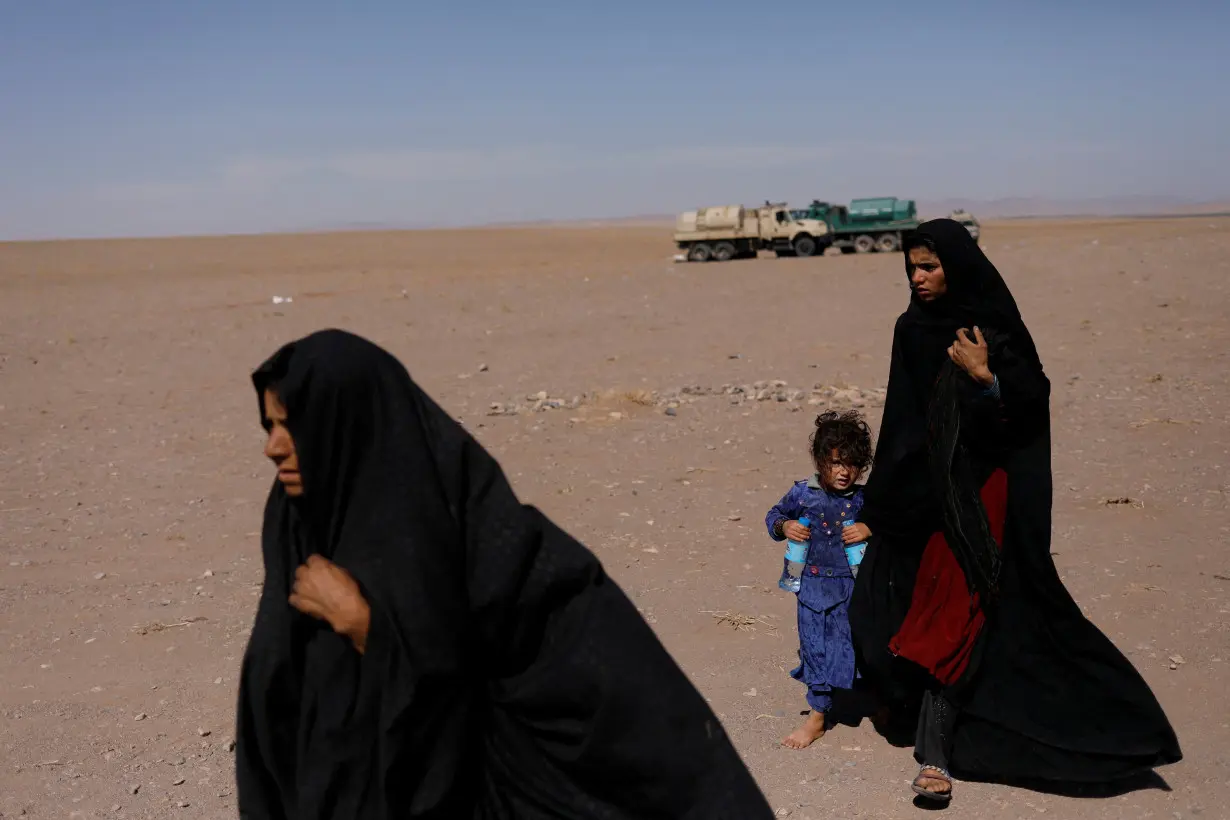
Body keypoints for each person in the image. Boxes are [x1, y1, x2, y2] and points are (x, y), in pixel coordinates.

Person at [235, 329, 776, 819]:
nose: (273, 446)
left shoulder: (478, 543)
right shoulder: (295, 527)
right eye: (270, 425)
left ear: (343, 426)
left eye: (292, 426)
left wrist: (370, 633)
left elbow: (600, 697)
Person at [847, 219, 1182, 804]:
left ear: (956, 264)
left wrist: (984, 379)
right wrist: (883, 502)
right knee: (885, 609)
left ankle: (938, 757)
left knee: (958, 614)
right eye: (910, 269)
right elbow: (901, 416)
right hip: (922, 493)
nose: (918, 277)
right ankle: (911, 708)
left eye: (928, 266)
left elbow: (1027, 411)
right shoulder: (911, 329)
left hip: (982, 499)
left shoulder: (992, 327)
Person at [765, 410, 874, 750]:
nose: (844, 472)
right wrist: (785, 527)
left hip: (856, 587)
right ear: (819, 461)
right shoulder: (802, 494)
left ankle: (878, 703)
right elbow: (774, 516)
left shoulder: (865, 499)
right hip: (812, 587)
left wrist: (870, 528)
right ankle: (817, 716)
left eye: (853, 464)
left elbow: (893, 528)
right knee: (816, 648)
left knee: (861, 646)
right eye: (836, 462)